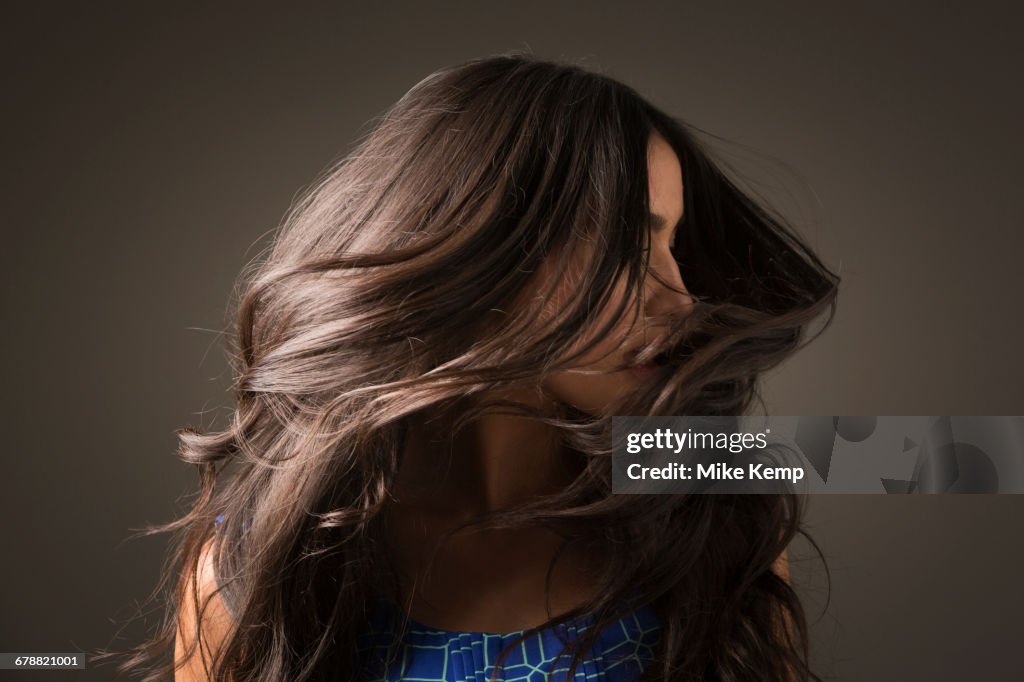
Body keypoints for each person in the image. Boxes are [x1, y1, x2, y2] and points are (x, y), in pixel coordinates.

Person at [108, 53, 839, 681]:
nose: (681, 300)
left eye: (676, 248)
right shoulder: (261, 561)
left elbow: (917, 453)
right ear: (487, 247)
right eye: (631, 249)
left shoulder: (701, 501)